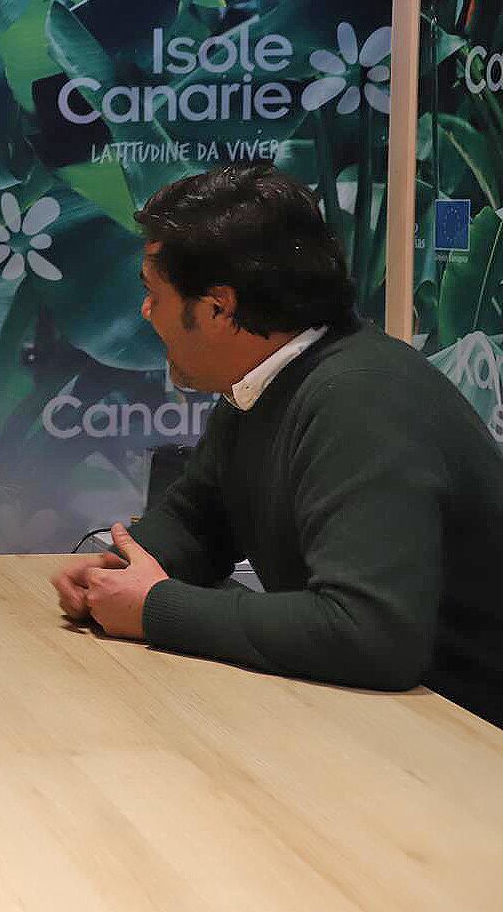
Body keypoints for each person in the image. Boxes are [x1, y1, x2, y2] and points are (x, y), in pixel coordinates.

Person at [50, 166, 503, 725]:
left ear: (219, 308)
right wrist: (119, 572)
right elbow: (199, 521)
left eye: (154, 294)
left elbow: (369, 632)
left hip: (467, 748)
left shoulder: (361, 401)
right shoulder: (266, 384)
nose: (145, 313)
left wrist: (154, 609)